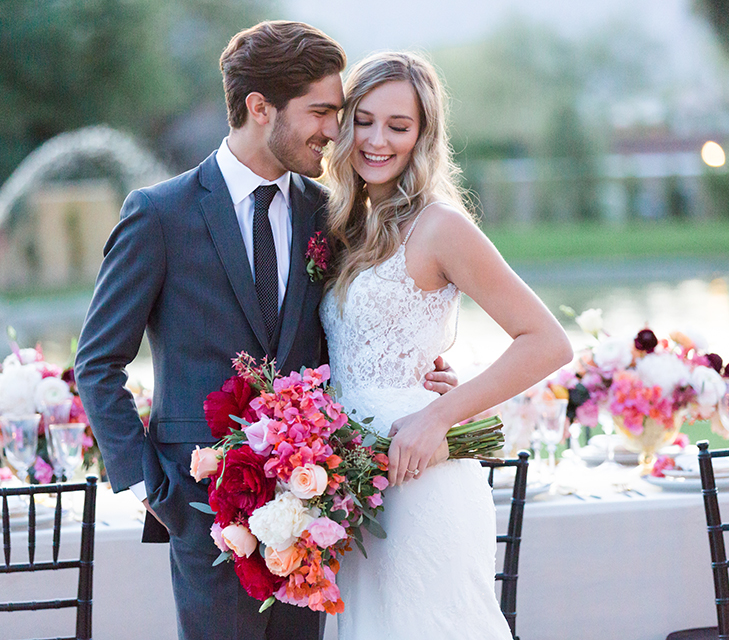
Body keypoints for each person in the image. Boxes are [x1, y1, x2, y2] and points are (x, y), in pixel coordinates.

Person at [74, 22, 456, 640]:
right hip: (203, 508)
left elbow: (354, 333)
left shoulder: (329, 212)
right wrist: (155, 489)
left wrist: (419, 373)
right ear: (260, 108)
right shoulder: (159, 215)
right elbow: (97, 364)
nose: (336, 131)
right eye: (322, 112)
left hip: (318, 512)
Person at [320, 51, 573, 639]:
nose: (376, 140)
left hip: (423, 481)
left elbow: (547, 342)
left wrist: (438, 414)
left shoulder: (441, 226)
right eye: (364, 120)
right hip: (353, 492)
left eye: (398, 126)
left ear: (423, 136)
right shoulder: (346, 224)